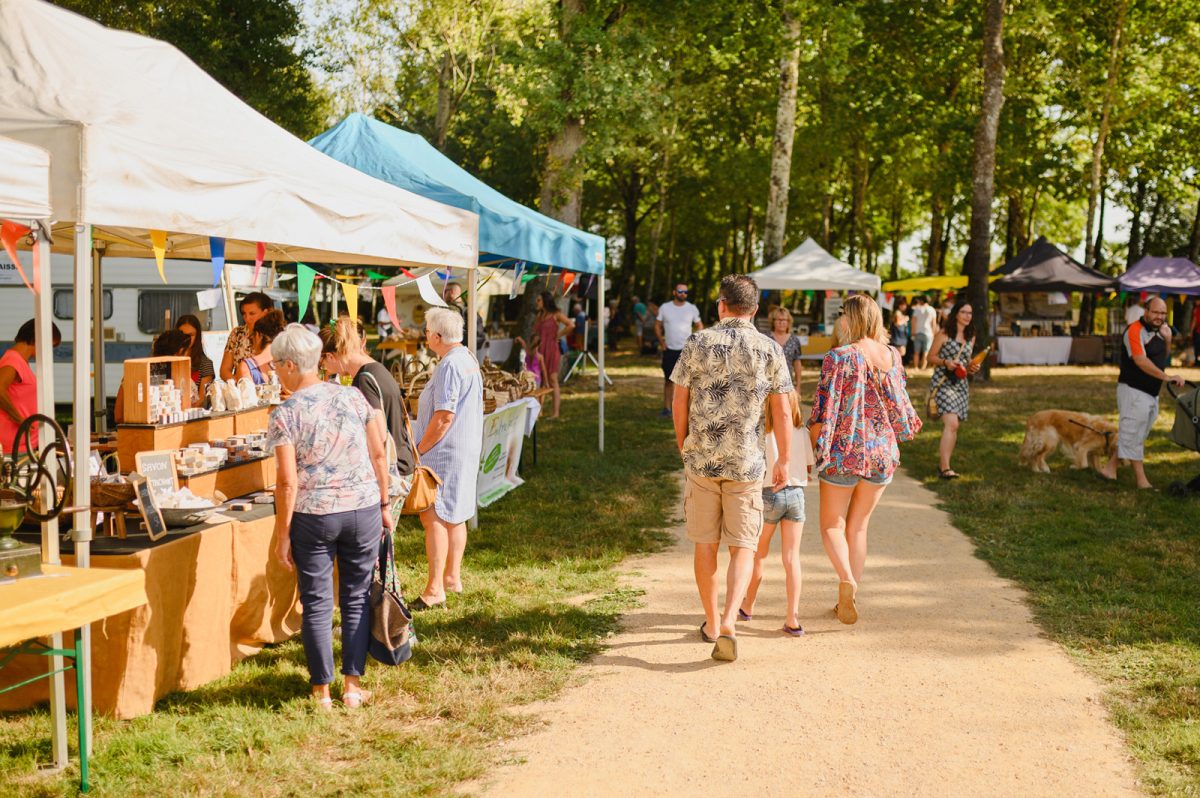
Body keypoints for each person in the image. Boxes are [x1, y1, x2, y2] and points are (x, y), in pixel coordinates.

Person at [268, 324, 393, 710]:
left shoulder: (284, 413)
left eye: (275, 365)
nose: (274, 371)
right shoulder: (353, 397)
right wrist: (385, 503)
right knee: (356, 597)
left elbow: (287, 482)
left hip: (315, 515)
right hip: (362, 507)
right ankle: (352, 686)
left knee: (318, 602)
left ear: (291, 365)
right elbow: (378, 454)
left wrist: (282, 533)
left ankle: (321, 690)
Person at [671, 274, 792, 662]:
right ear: (755, 310)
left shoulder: (697, 341)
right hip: (746, 462)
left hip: (703, 460)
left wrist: (683, 442)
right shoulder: (770, 348)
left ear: (721, 305)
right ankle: (729, 622)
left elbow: (679, 400)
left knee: (706, 543)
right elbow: (783, 412)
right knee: (743, 546)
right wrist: (785, 459)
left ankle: (709, 621)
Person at [808, 295, 921, 625]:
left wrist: (810, 443)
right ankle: (849, 596)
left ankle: (846, 580)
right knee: (858, 527)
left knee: (832, 524)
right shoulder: (893, 355)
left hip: (846, 451)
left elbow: (822, 409)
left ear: (850, 318)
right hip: (882, 452)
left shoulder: (839, 356)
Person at [412, 308, 484, 610]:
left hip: (445, 450)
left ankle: (434, 588)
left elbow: (443, 416)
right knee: (456, 513)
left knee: (436, 516)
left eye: (427, 330)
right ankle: (452, 578)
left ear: (437, 336)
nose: (426, 334)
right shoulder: (466, 358)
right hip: (461, 446)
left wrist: (419, 450)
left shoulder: (451, 365)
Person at [320, 316, 416, 521]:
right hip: (400, 461)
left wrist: (382, 497)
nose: (324, 369)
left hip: (389, 473)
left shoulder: (364, 380)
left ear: (330, 356)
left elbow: (378, 437)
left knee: (378, 544)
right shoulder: (376, 369)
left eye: (322, 363)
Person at [739, 389, 813, 635]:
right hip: (796, 495)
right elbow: (809, 467)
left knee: (758, 555)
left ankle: (748, 605)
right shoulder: (802, 432)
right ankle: (792, 617)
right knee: (792, 558)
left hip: (768, 493)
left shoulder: (762, 433)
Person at [1099, 297, 1186, 489]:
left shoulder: (1163, 330)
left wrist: (1168, 339)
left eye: (1163, 313)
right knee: (1133, 432)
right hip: (1133, 390)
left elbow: (1163, 357)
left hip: (1151, 392)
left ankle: (1109, 469)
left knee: (1136, 433)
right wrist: (1166, 377)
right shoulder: (1134, 331)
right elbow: (1140, 360)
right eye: (1156, 312)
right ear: (1145, 311)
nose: (1160, 317)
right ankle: (1142, 481)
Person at [929, 300, 981, 479]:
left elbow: (967, 360)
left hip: (960, 383)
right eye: (964, 312)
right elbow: (931, 357)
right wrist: (946, 362)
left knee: (953, 427)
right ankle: (945, 468)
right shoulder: (944, 333)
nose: (968, 316)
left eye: (970, 313)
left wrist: (972, 366)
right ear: (956, 314)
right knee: (952, 424)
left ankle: (944, 464)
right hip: (943, 382)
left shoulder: (970, 335)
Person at [0, 319, 61, 452]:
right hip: (13, 448)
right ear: (36, 338)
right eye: (50, 346)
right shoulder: (13, 360)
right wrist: (20, 420)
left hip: (22, 446)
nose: (49, 352)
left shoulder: (19, 361)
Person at [113, 329, 190, 425]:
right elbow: (189, 410)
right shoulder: (181, 376)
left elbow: (119, 415)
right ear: (179, 352)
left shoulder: (134, 372)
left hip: (137, 432)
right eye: (187, 352)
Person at [656, 284, 703, 418]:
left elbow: (699, 325)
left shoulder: (692, 308)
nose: (683, 293)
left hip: (686, 351)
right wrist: (662, 342)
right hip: (669, 350)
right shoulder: (665, 307)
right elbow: (657, 325)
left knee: (687, 382)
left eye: (685, 292)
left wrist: (695, 343)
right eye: (680, 291)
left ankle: (687, 411)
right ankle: (666, 409)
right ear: (674, 292)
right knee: (668, 381)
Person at [531, 291, 574, 419]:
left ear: (545, 301)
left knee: (553, 379)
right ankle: (539, 411)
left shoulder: (556, 314)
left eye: (539, 300)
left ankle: (555, 413)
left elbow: (571, 325)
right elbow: (536, 333)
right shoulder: (539, 316)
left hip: (552, 349)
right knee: (541, 380)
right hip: (540, 350)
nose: (536, 302)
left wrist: (558, 335)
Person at [220, 292, 275, 381]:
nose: (247, 318)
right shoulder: (237, 333)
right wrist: (241, 385)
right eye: (244, 314)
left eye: (252, 313)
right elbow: (224, 370)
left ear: (265, 312)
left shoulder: (277, 335)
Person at [235, 309, 287, 386]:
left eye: (251, 338)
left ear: (257, 335)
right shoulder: (289, 361)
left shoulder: (247, 366)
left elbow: (247, 397)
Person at [765, 306, 804, 397]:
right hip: (767, 385)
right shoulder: (765, 338)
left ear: (788, 322)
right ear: (773, 321)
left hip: (788, 385)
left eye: (784, 320)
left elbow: (797, 364)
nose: (781, 322)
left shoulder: (794, 340)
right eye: (778, 320)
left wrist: (798, 386)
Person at [176, 314, 214, 399]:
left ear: (197, 336)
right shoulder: (169, 360)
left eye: (191, 335)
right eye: (182, 335)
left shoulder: (205, 364)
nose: (186, 339)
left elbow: (201, 400)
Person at [443, 281, 486, 350]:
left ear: (451, 292)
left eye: (445, 291)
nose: (444, 294)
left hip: (457, 348)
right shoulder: (470, 308)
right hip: (474, 347)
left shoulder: (451, 309)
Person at [910, 296, 936, 370]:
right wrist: (933, 334)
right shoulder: (932, 309)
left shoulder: (917, 309)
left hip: (917, 332)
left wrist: (913, 331)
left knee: (916, 352)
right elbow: (933, 323)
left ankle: (915, 367)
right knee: (926, 352)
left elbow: (913, 321)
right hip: (928, 333)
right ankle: (923, 367)